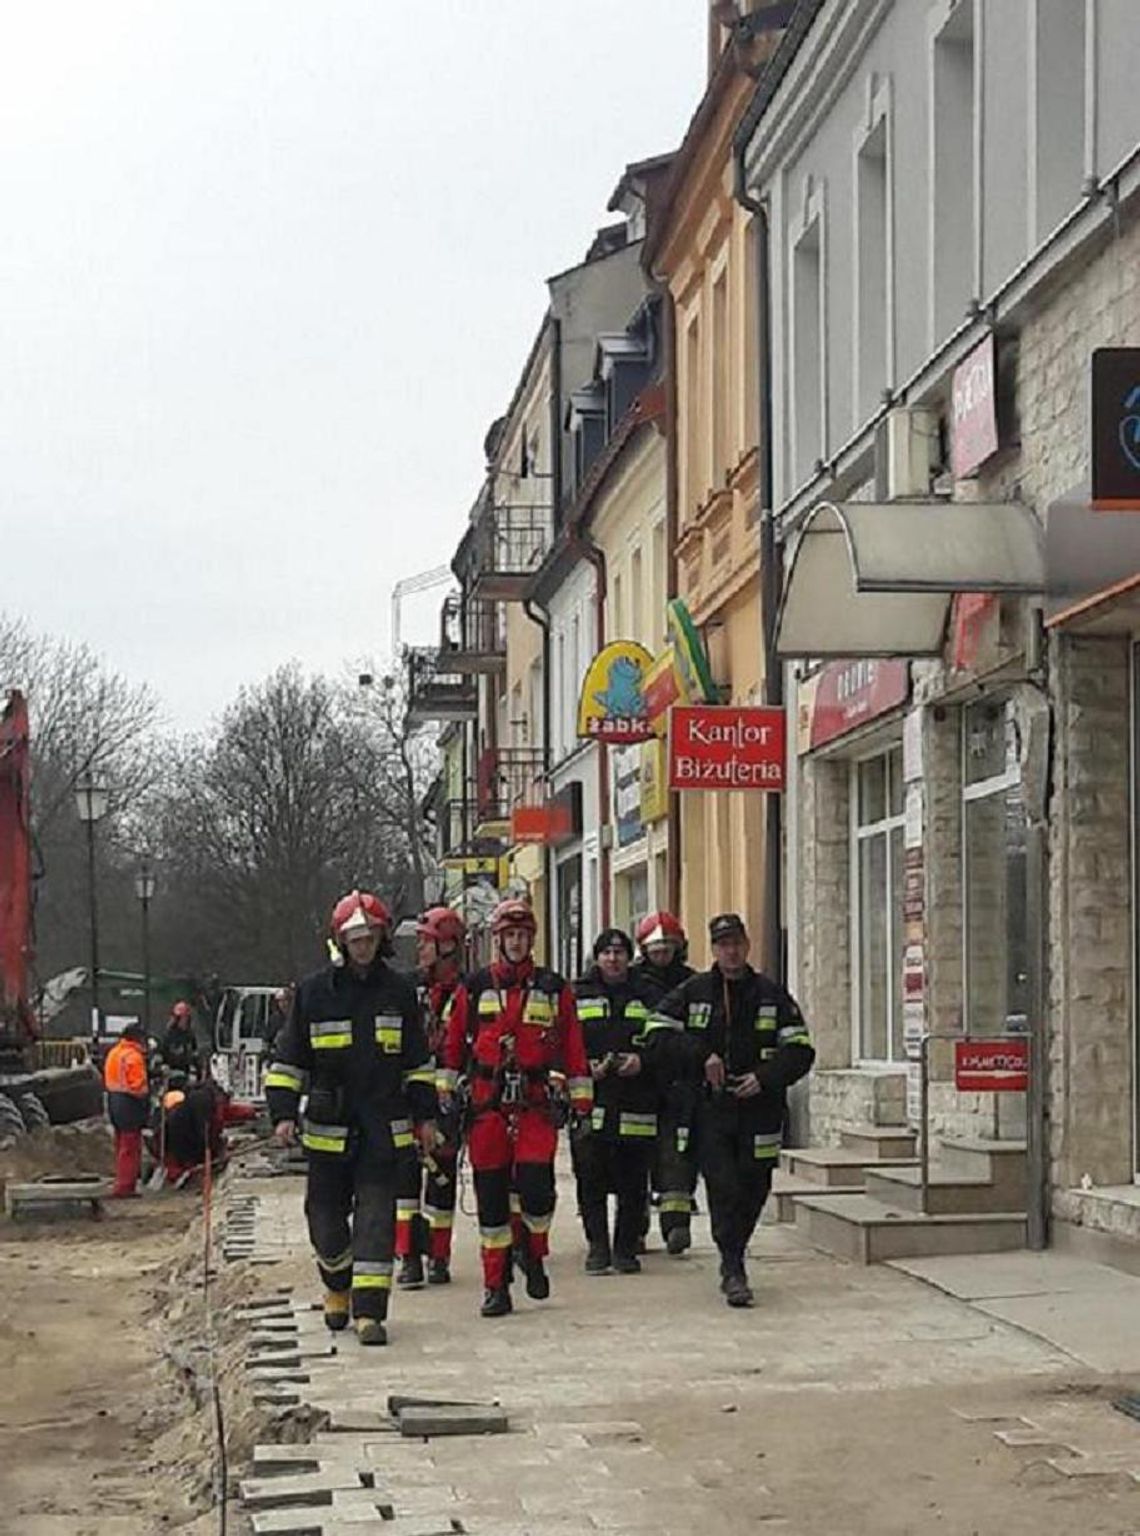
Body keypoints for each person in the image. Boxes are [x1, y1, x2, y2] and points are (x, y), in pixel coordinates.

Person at [265, 890, 437, 1347]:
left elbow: (418, 1063)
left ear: (382, 939)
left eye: (370, 937)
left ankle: (370, 1312)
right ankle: (336, 1286)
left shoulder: (399, 993)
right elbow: (289, 1061)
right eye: (355, 938)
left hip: (383, 1130)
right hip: (327, 1133)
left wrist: (426, 1117)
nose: (363, 946)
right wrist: (283, 1114)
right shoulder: (314, 994)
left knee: (377, 1223)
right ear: (341, 941)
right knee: (325, 1222)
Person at [644, 913, 814, 1308]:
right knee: (723, 1186)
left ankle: (735, 1251)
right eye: (723, 945)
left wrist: (766, 1078)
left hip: (761, 1110)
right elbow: (654, 1033)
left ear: (747, 946)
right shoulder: (695, 991)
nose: (731, 951)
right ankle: (732, 1266)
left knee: (754, 1188)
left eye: (737, 943)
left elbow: (801, 1050)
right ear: (714, 950)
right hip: (711, 1109)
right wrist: (700, 1055)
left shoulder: (772, 995)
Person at [438, 898, 592, 1318]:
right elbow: (452, 1046)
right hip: (487, 1105)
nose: (518, 943)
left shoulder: (554, 988)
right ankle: (495, 1286)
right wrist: (446, 1094)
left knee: (537, 1191)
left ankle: (533, 1252)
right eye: (510, 936)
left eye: (524, 936)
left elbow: (573, 1046)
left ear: (532, 940)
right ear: (499, 940)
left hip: (535, 1104)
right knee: (490, 1202)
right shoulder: (473, 987)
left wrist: (581, 1102)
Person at [572, 928, 656, 1275]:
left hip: (636, 1098)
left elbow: (663, 1039)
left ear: (629, 956)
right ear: (597, 957)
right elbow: (563, 1040)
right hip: (591, 1097)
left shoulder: (648, 993)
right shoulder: (577, 994)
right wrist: (586, 1067)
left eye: (619, 952)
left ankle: (625, 1249)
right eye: (606, 952)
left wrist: (641, 1061)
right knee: (589, 1177)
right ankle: (597, 1247)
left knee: (633, 1181)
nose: (613, 958)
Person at [395, 906, 467, 1289]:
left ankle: (439, 1255)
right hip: (407, 1096)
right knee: (404, 1180)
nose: (420, 948)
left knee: (442, 1181)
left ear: (448, 946)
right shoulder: (405, 988)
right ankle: (408, 1257)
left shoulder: (468, 991)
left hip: (449, 1100)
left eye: (426, 941)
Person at [634, 911, 698, 1256]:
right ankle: (636, 1227)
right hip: (640, 1082)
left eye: (667, 948)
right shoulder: (632, 983)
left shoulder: (692, 983)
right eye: (655, 949)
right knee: (637, 1159)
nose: (662, 955)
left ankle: (676, 1225)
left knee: (676, 1154)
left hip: (679, 1081)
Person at [154, 1078, 257, 1188]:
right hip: (177, 1139)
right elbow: (205, 1128)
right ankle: (182, 1175)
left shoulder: (198, 1099)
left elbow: (227, 1114)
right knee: (180, 1159)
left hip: (170, 1135)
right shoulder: (206, 1103)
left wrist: (250, 1112)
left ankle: (183, 1173)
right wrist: (212, 1146)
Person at [104, 1022, 151, 1198]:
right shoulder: (133, 1056)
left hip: (114, 1101)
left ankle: (121, 1180)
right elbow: (138, 1087)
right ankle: (125, 1187)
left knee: (121, 1145)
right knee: (130, 1147)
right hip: (129, 1104)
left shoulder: (114, 1053)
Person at [160, 1001, 201, 1083]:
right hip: (172, 1075)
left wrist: (197, 1072)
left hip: (186, 1074)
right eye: (179, 1018)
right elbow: (164, 1054)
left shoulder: (190, 1035)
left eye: (185, 1017)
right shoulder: (169, 1035)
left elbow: (194, 1053)